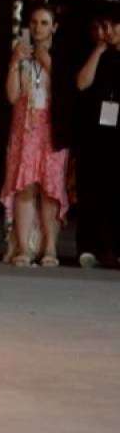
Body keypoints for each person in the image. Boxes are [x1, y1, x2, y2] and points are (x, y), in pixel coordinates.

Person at [0, 7, 70, 267]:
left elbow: (67, 89)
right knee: (25, 185)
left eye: (44, 22)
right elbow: (11, 96)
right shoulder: (22, 55)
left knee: (50, 188)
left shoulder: (61, 56)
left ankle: (50, 247)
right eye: (35, 22)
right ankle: (23, 247)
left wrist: (46, 60)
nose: (39, 27)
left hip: (52, 128)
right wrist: (14, 63)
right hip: (25, 128)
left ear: (54, 27)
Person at [74, 15, 120, 268]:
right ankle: (88, 246)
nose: (109, 31)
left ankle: (112, 248)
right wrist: (99, 50)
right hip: (94, 133)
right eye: (105, 26)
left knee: (115, 191)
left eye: (114, 26)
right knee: (92, 190)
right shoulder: (96, 53)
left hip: (117, 132)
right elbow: (82, 83)